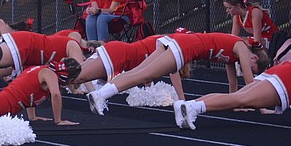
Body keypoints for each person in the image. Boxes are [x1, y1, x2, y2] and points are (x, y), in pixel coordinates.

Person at [87, 31, 269, 114]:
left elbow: (233, 84)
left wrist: (237, 103)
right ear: (254, 58)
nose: (245, 68)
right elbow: (250, 82)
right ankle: (101, 95)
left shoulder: (234, 55)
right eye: (252, 67)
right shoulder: (242, 47)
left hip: (178, 41)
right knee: (145, 75)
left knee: (138, 72)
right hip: (188, 45)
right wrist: (261, 107)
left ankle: (100, 94)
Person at [70, 34, 162, 85]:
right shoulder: (167, 42)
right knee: (77, 77)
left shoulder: (161, 39)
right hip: (120, 55)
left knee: (74, 72)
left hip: (118, 48)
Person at [0, 30, 87, 76]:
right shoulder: (74, 42)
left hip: (32, 53)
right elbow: (80, 71)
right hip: (29, 45)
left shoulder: (65, 53)